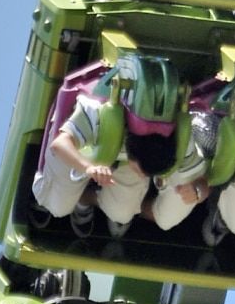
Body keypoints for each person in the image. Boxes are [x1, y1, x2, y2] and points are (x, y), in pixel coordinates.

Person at [32, 100, 177, 239]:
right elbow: (59, 145)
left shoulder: (164, 134)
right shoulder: (96, 113)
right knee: (57, 208)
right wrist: (88, 167)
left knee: (122, 214)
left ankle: (84, 200)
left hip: (125, 159)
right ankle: (45, 187)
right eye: (142, 171)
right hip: (80, 150)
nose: (144, 175)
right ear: (132, 151)